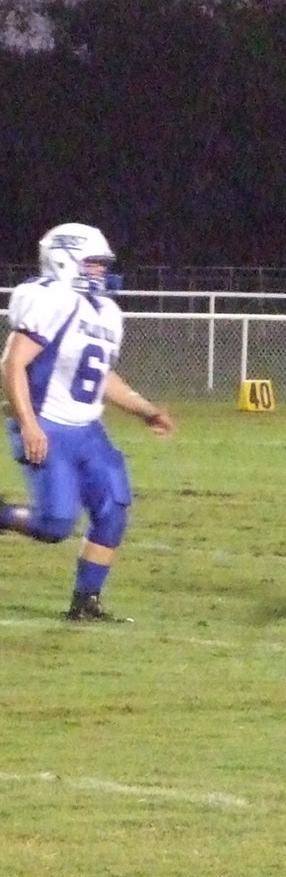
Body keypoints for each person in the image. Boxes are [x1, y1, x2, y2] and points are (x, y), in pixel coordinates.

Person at [0, 223, 176, 620]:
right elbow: (12, 363)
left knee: (113, 509)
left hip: (88, 430)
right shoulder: (49, 299)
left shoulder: (108, 313)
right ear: (65, 260)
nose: (100, 272)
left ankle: (86, 603)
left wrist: (145, 410)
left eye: (101, 265)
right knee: (55, 524)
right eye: (93, 264)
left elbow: (101, 379)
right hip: (48, 426)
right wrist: (29, 424)